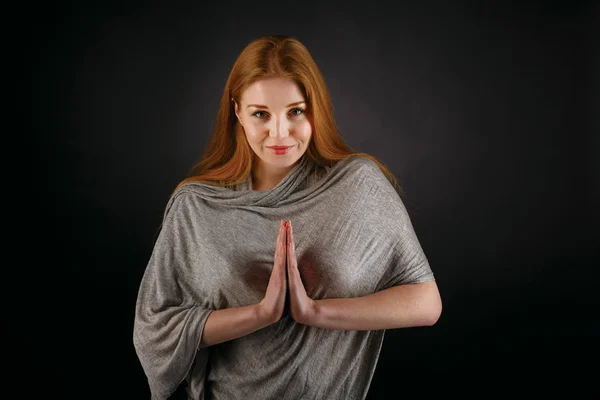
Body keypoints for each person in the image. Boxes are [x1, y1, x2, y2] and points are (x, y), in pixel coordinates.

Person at [133, 34, 442, 400]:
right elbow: (155, 328)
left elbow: (426, 302)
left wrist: (313, 312)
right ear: (237, 112)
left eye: (296, 111)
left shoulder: (359, 185)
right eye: (260, 114)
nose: (279, 133)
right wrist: (262, 313)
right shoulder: (196, 205)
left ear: (317, 109)